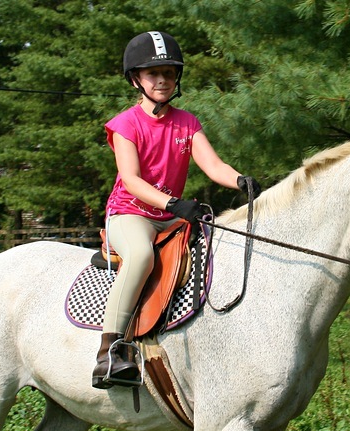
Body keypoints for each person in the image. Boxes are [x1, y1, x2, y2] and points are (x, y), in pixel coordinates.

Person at [92, 31, 261, 389]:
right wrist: (174, 203)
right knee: (140, 257)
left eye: (169, 73)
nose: (163, 80)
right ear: (136, 79)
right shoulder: (125, 124)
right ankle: (110, 350)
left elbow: (213, 166)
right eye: (154, 74)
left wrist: (239, 181)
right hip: (131, 213)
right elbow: (132, 180)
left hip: (171, 217)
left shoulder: (187, 122)